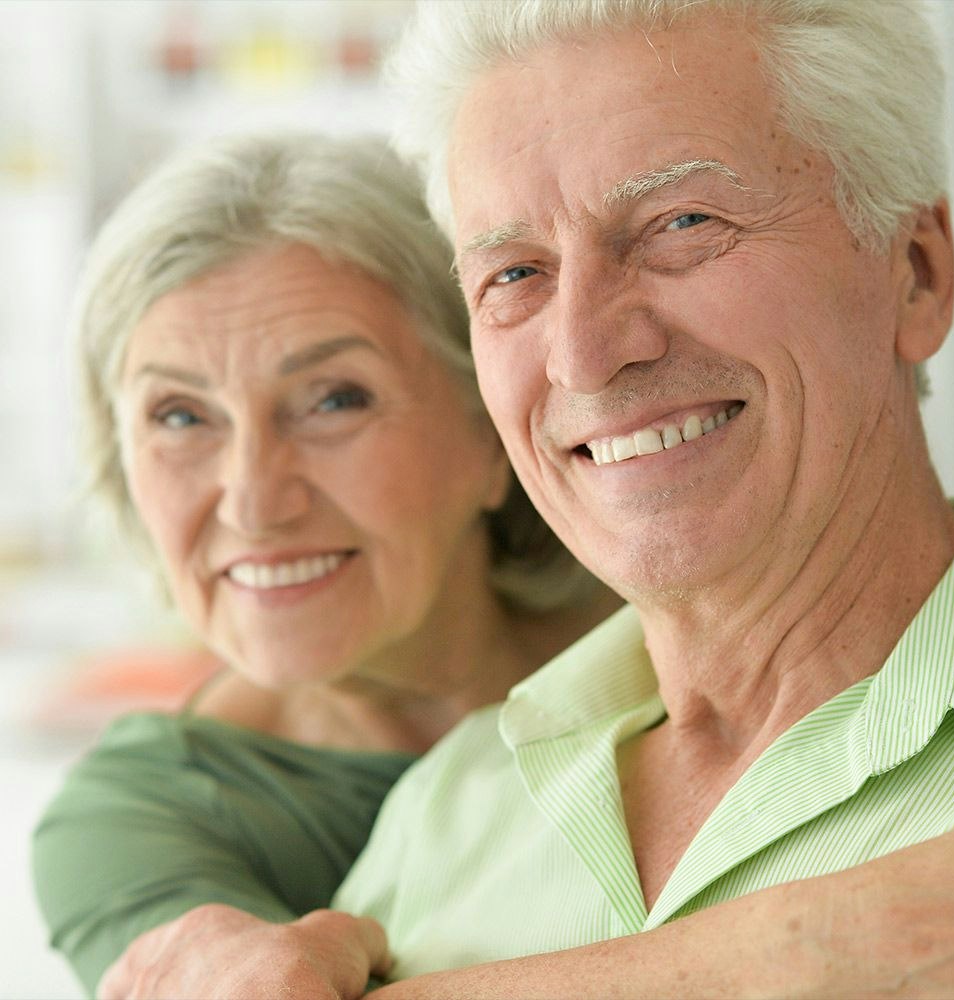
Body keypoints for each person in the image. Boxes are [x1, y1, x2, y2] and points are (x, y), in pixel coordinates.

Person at [90, 1, 954, 998]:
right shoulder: (452, 803)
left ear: (915, 273)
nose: (584, 349)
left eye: (682, 223)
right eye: (514, 272)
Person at [31, 130, 622, 997]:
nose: (253, 501)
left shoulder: (687, 649)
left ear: (492, 426)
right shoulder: (135, 821)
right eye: (181, 417)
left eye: (334, 400)